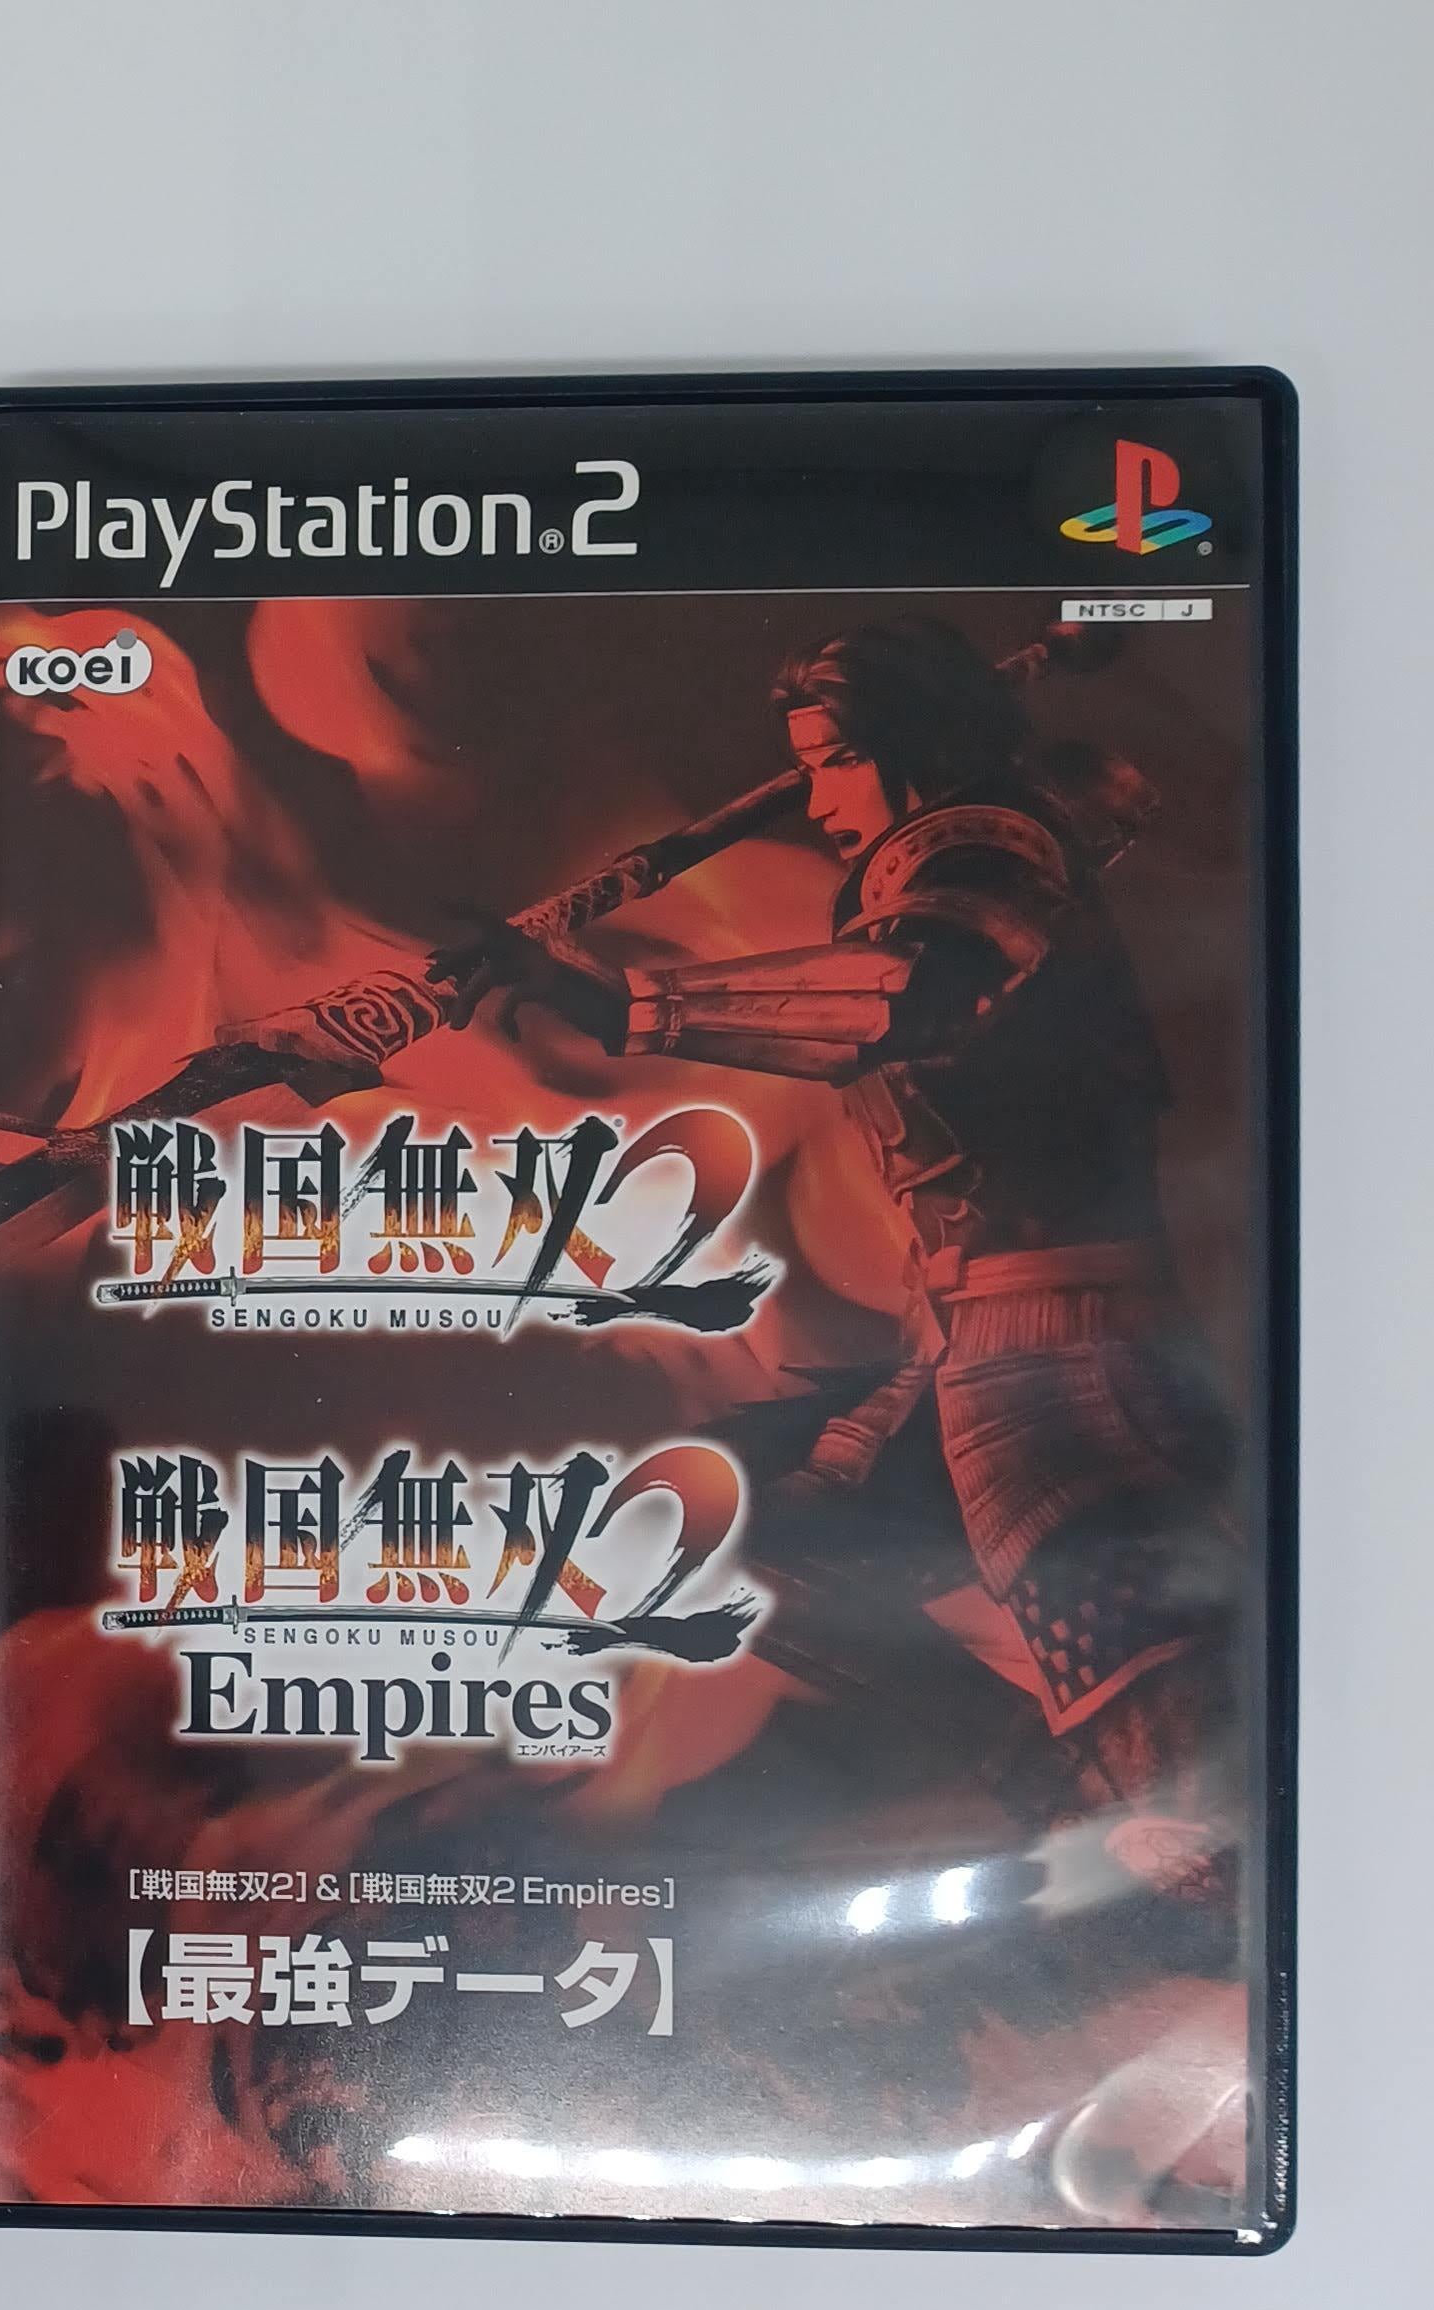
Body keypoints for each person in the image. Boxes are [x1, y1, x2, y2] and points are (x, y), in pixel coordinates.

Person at [464, 617, 1233, 1865]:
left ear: (911, 746)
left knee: (1172, 1762)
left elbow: (904, 993)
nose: (816, 797)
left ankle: (1126, 1823)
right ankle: (1070, 1797)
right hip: (975, 1350)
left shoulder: (986, 850)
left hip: (1071, 1366)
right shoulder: (969, 853)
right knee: (686, 1545)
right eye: (807, 766)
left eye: (834, 761)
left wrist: (614, 998)